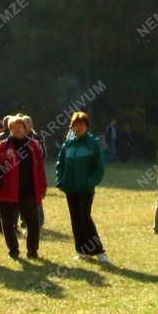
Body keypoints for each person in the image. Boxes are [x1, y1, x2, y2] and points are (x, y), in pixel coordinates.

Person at [0, 114, 47, 259]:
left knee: (33, 223)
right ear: (10, 129)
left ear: (25, 129)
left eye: (20, 127)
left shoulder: (33, 145)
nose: (17, 129)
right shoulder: (3, 145)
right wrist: (3, 156)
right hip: (7, 193)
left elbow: (40, 168)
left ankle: (32, 251)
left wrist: (42, 187)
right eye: (13, 127)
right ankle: (13, 251)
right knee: (8, 225)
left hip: (28, 192)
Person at [56, 111, 110, 263]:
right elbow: (60, 164)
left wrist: (89, 182)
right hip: (70, 189)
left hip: (85, 189)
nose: (78, 128)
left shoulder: (93, 143)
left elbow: (99, 167)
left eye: (81, 125)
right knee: (75, 219)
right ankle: (81, 251)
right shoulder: (68, 144)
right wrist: (61, 180)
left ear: (87, 126)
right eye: (75, 125)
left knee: (85, 218)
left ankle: (99, 252)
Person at [23, 115, 47, 228]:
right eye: (23, 123)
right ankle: (25, 220)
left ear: (31, 125)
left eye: (26, 123)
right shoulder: (19, 137)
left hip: (34, 171)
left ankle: (39, 219)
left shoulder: (37, 137)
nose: (24, 125)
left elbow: (43, 154)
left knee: (36, 196)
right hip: (23, 172)